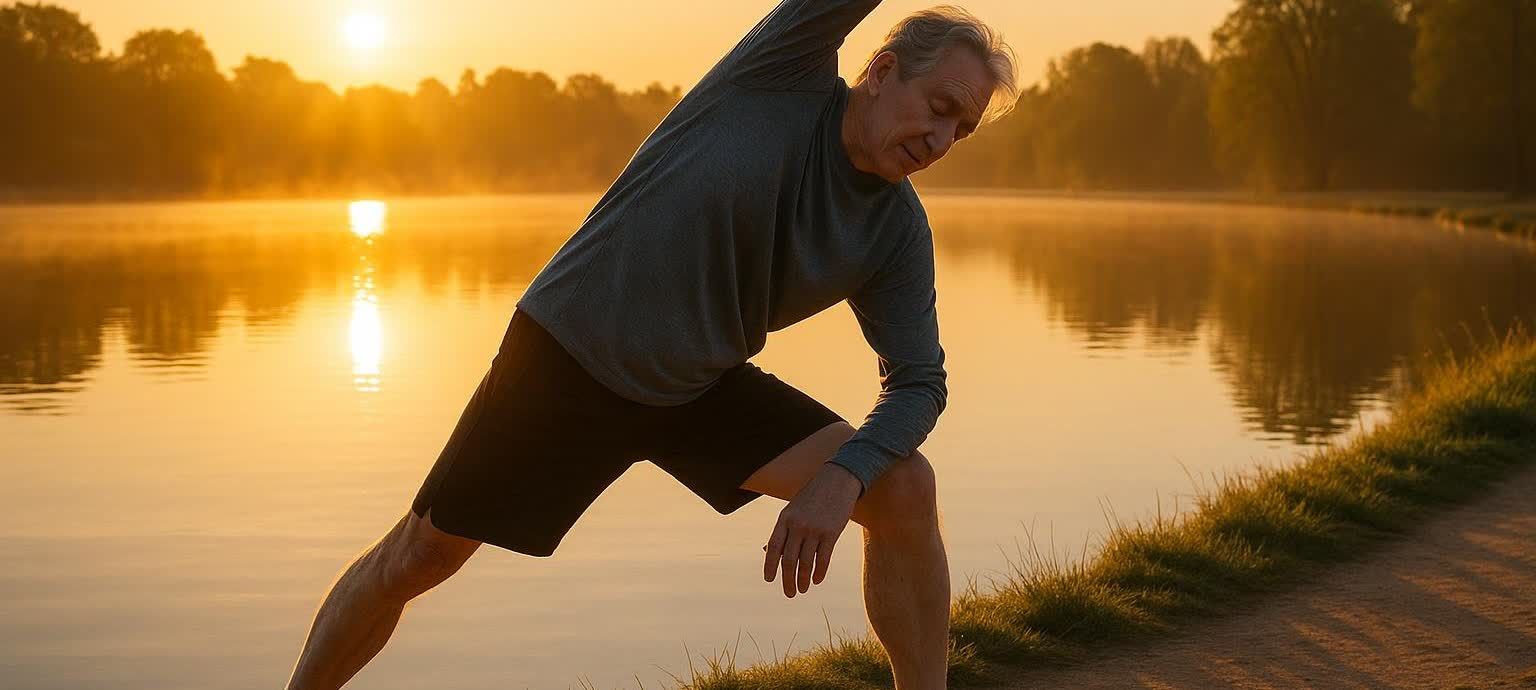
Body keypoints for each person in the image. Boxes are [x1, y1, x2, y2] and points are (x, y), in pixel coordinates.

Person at [286, 2, 1017, 688]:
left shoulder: (894, 231)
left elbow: (920, 381)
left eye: (963, 130)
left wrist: (841, 478)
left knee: (903, 488)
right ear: (883, 72)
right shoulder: (780, 73)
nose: (942, 139)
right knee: (418, 557)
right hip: (570, 353)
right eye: (941, 107)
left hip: (698, 385)